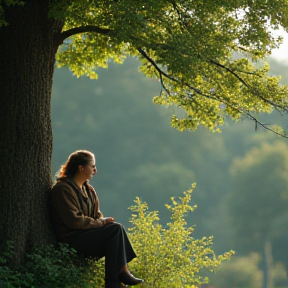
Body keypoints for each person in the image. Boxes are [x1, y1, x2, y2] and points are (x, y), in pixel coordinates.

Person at [50, 150, 144, 288]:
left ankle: (118, 277)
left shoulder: (89, 190)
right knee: (115, 230)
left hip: (86, 235)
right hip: (71, 239)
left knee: (116, 229)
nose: (95, 170)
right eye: (92, 167)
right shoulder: (62, 189)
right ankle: (117, 278)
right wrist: (101, 223)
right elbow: (74, 221)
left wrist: (103, 221)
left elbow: (96, 215)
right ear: (81, 168)